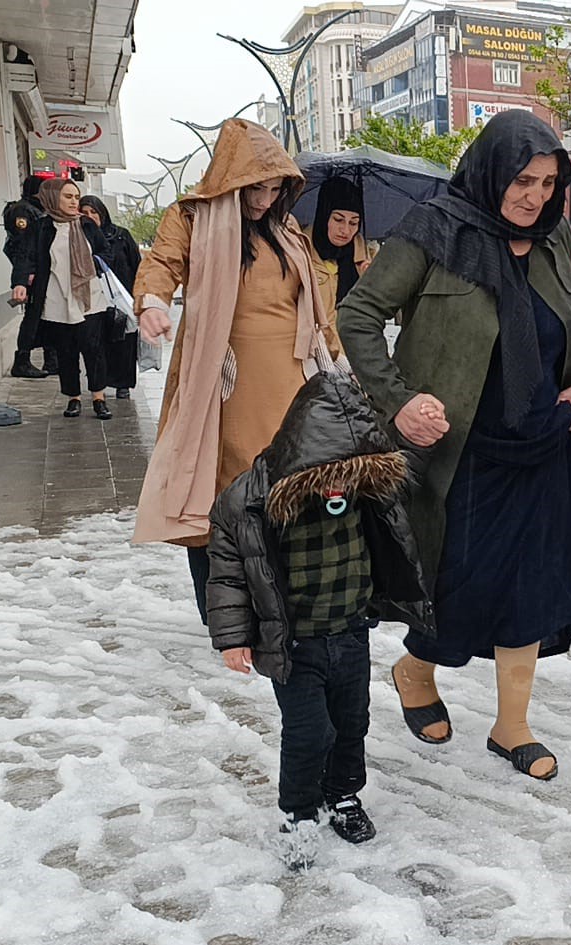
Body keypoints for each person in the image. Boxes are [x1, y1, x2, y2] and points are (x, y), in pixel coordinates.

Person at [340, 110, 571, 781]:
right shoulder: (434, 232)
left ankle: (511, 725)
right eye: (523, 179)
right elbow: (359, 314)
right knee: (457, 584)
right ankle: (415, 669)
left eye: (549, 183)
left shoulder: (555, 241)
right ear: (493, 169)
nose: (535, 196)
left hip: (545, 445)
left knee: (532, 585)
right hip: (460, 451)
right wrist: (400, 400)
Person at [207, 370, 433, 870]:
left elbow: (407, 472)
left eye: (346, 471)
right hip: (294, 644)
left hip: (350, 632)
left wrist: (418, 425)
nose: (335, 483)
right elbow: (226, 573)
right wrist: (232, 637)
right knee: (310, 732)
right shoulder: (250, 501)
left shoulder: (369, 489)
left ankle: (344, 796)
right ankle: (298, 812)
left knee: (352, 724)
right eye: (324, 471)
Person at [131, 119, 340, 625]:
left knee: (285, 486)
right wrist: (153, 304)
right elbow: (162, 263)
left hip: (292, 380)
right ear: (231, 178)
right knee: (219, 490)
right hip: (222, 381)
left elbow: (314, 305)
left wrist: (339, 363)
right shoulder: (191, 217)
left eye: (275, 188)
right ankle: (223, 609)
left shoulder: (288, 230)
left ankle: (280, 600)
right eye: (257, 187)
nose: (266, 199)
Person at [21, 178, 114, 419]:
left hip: (88, 298)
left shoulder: (86, 225)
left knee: (93, 348)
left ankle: (98, 398)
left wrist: (87, 265)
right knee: (65, 351)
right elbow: (27, 257)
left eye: (76, 197)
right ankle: (73, 398)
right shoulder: (42, 228)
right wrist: (20, 283)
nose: (74, 202)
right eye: (68, 197)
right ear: (53, 198)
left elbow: (106, 252)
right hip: (56, 299)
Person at [79, 195, 142, 400]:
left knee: (124, 340)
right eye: (84, 213)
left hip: (122, 297)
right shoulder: (79, 238)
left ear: (102, 213)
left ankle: (123, 383)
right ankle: (100, 382)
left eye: (93, 212)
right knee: (98, 342)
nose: (89, 217)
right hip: (95, 299)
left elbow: (137, 264)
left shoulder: (120, 236)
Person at [3, 175, 53, 379]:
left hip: (39, 270)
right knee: (33, 315)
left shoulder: (38, 210)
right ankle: (22, 360)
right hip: (31, 272)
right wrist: (25, 276)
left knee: (45, 314)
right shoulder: (23, 210)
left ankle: (52, 358)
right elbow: (24, 247)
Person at [308, 176, 372, 328]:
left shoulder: (365, 257)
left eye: (354, 223)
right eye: (338, 219)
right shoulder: (299, 251)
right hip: (314, 347)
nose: (345, 230)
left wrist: (371, 282)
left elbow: (380, 313)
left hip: (351, 347)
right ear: (324, 216)